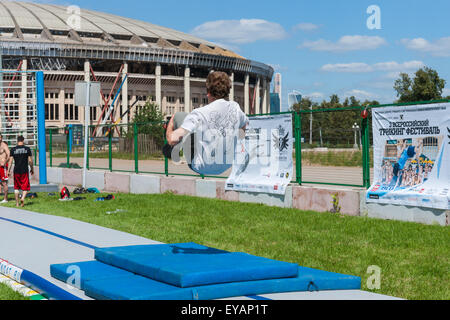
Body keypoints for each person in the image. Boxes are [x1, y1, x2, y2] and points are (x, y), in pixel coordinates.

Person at [165, 71, 249, 175]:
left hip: (200, 165)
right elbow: (246, 127)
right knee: (199, 133)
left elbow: (171, 139)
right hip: (226, 165)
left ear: (208, 92)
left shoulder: (199, 113)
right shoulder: (235, 108)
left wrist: (171, 123)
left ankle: (172, 149)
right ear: (228, 91)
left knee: (180, 116)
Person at [8, 136, 34, 207]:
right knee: (25, 187)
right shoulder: (27, 149)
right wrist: (32, 169)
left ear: (17, 141)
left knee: (16, 187)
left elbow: (10, 161)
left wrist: (8, 170)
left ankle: (17, 203)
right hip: (24, 170)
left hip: (16, 171)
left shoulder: (13, 149)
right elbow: (30, 161)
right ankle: (22, 198)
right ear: (23, 140)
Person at [0, 135, 10, 203]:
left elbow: (9, 154)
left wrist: (5, 161)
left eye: (0, 137)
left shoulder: (4, 145)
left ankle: (5, 199)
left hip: (2, 167)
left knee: (4, 183)